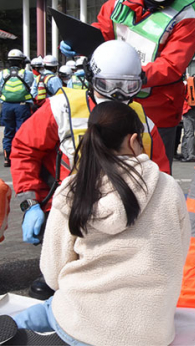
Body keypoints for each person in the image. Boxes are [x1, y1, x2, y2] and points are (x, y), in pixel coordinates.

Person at [8, 101, 190, 345]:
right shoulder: (169, 187)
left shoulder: (73, 191)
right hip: (153, 331)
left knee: (24, 322)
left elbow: (52, 275)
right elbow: (180, 252)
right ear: (134, 139)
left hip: (83, 326)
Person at [11, 40, 170, 300]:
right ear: (91, 78)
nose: (118, 96)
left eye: (128, 87)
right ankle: (60, 270)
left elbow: (161, 175)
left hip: (123, 212)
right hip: (72, 211)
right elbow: (25, 148)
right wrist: (30, 203)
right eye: (108, 86)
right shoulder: (61, 108)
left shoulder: (144, 121)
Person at [60, 0, 195, 168]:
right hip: (114, 100)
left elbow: (172, 65)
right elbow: (104, 28)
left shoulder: (187, 16)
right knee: (106, 169)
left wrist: (132, 75)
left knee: (155, 175)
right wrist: (80, 41)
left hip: (156, 110)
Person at [0, 49, 34, 167]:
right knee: (21, 131)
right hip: (22, 106)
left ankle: (6, 158)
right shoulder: (27, 74)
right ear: (21, 62)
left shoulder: (2, 73)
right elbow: (31, 88)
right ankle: (19, 157)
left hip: (6, 105)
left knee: (8, 131)